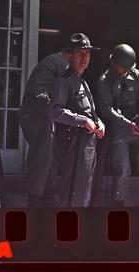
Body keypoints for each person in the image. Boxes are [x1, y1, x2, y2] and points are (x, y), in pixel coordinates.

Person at [96, 44, 139, 207]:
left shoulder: (136, 74)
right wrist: (126, 124)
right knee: (122, 168)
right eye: (121, 68)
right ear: (114, 63)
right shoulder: (104, 81)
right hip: (120, 128)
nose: (124, 71)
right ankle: (119, 203)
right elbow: (106, 109)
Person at [49, 33, 105, 207]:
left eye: (87, 54)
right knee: (71, 194)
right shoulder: (64, 81)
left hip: (88, 146)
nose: (84, 58)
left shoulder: (83, 83)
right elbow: (54, 111)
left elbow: (90, 112)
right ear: (70, 55)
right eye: (80, 53)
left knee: (84, 193)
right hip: (73, 144)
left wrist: (99, 122)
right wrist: (82, 121)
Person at [18, 47, 71, 207]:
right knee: (41, 156)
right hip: (38, 114)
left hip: (40, 113)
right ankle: (36, 198)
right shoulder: (62, 64)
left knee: (48, 155)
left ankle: (45, 194)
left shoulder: (54, 61)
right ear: (70, 54)